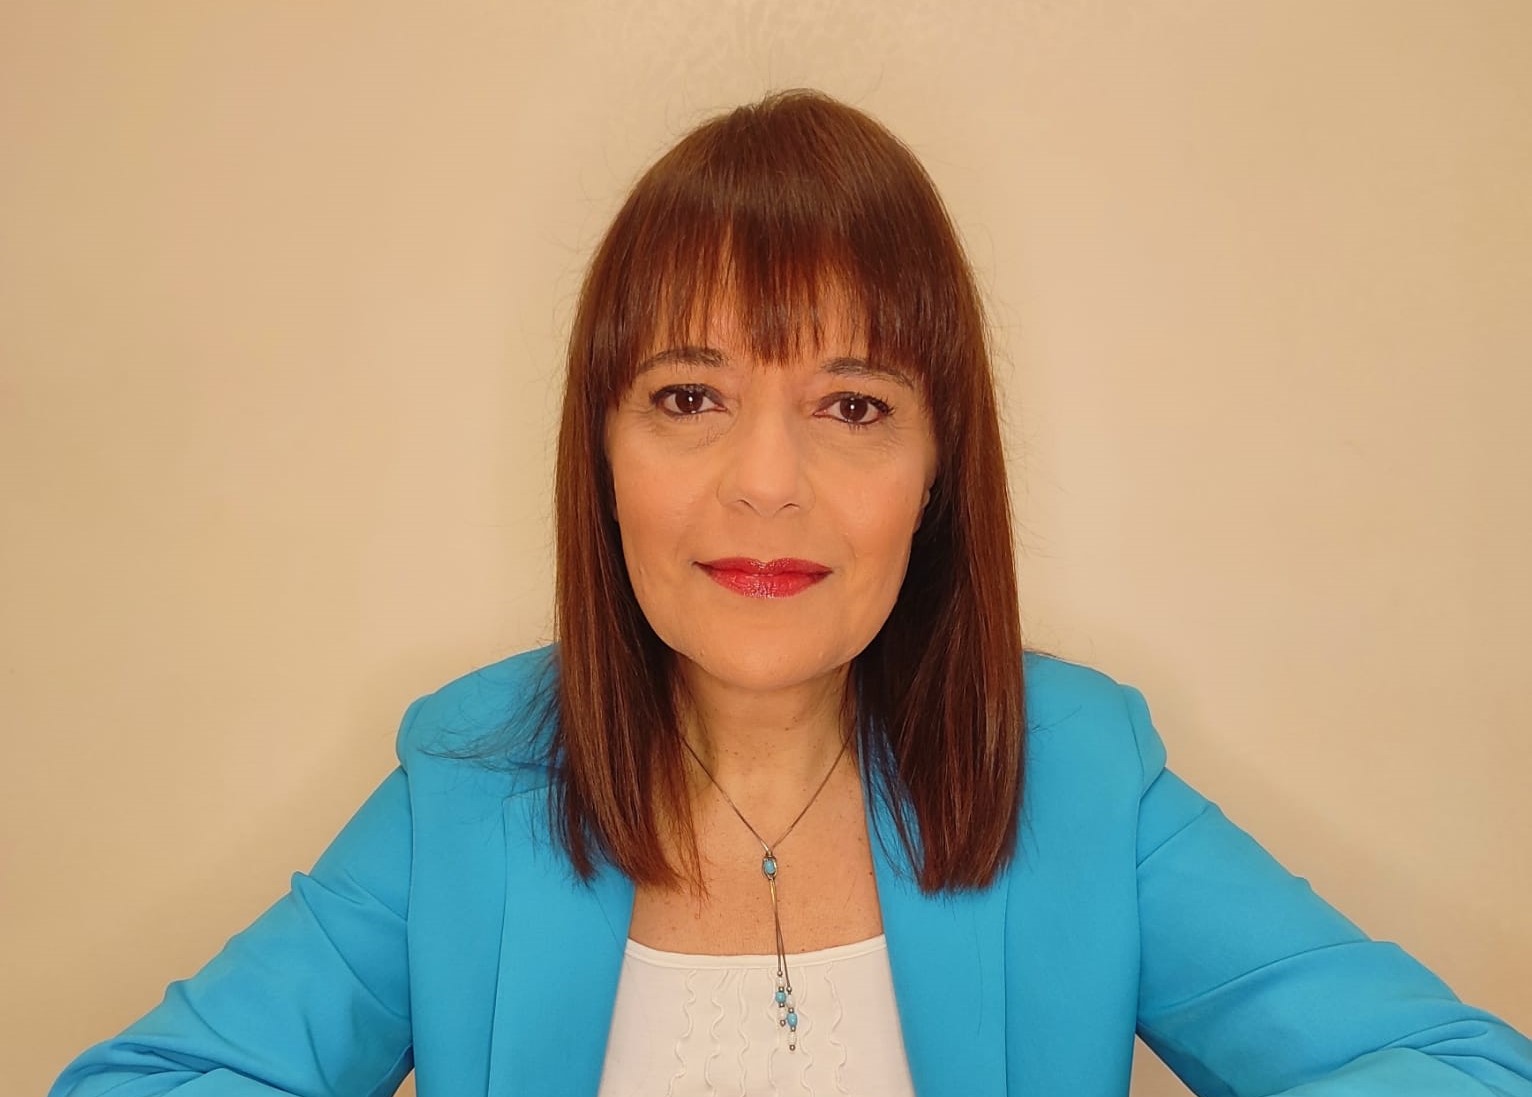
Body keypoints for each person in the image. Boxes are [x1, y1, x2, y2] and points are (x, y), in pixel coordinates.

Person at [51, 90, 1532, 1097]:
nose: (766, 484)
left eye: (855, 406)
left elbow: (1463, 1069)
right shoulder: (471, 774)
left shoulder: (1080, 769)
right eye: (689, 396)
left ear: (940, 469)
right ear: (601, 455)